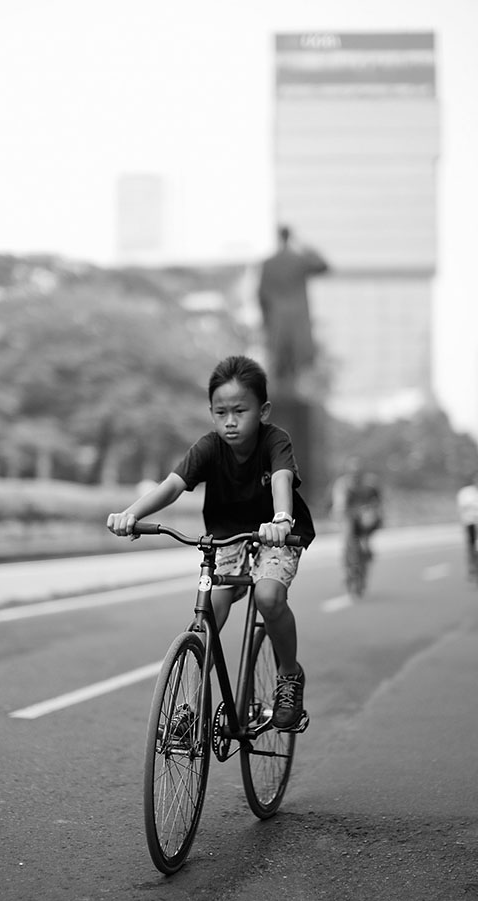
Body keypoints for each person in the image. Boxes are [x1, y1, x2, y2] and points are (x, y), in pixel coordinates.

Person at [107, 354, 316, 730]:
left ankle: (288, 676)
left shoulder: (275, 441)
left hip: (276, 531)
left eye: (240, 410)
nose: (231, 421)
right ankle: (191, 703)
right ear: (212, 413)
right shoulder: (208, 448)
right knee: (209, 613)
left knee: (269, 596)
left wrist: (281, 519)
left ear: (263, 410)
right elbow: (172, 486)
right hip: (226, 534)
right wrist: (132, 515)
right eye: (221, 412)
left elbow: (282, 480)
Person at [258, 225, 328, 390]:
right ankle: (297, 397)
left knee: (279, 364)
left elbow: (261, 295)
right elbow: (323, 266)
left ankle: (284, 396)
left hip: (277, 320)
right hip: (297, 320)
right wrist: (304, 246)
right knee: (300, 363)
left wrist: (265, 319)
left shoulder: (269, 263)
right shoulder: (299, 260)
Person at [331, 457, 383, 565]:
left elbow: (378, 503)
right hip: (348, 515)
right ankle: (347, 561)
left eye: (358, 474)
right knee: (347, 534)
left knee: (369, 521)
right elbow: (339, 503)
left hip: (364, 516)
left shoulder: (370, 484)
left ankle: (365, 544)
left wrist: (372, 512)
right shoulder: (342, 484)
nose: (355, 477)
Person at [456, 473, 478, 580]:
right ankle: (472, 567)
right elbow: (462, 507)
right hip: (471, 522)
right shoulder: (466, 493)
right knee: (471, 544)